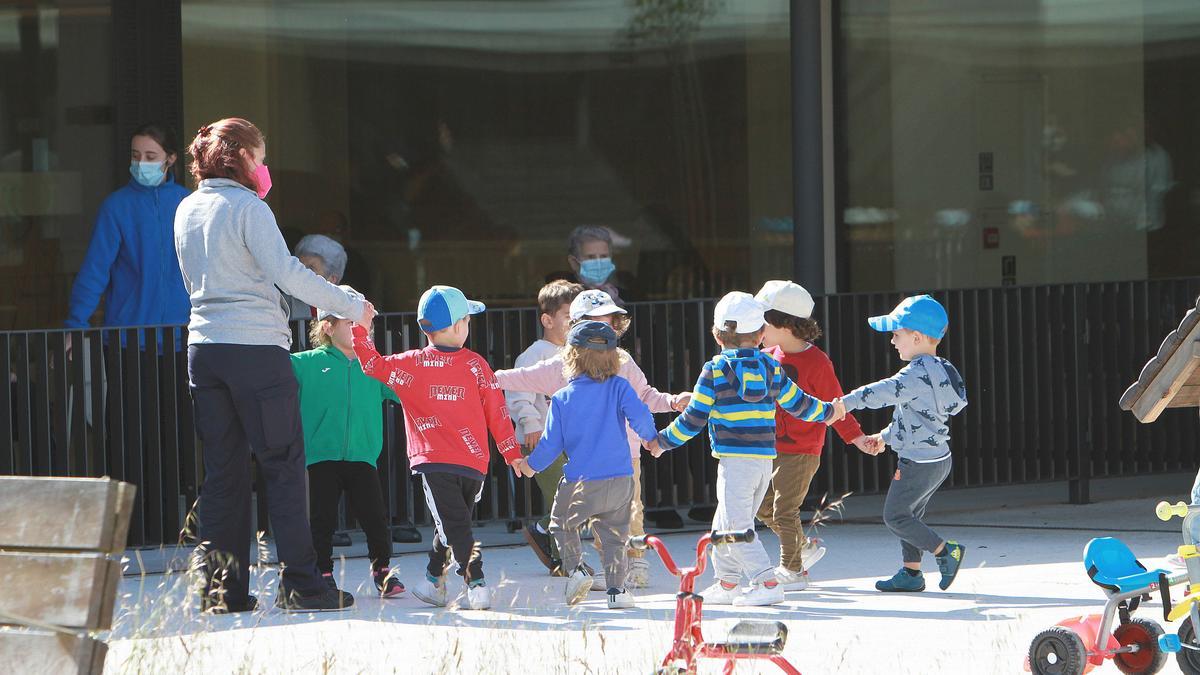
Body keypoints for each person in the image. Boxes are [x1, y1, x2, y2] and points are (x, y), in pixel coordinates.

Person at [175, 117, 374, 614]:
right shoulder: (249, 208)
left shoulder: (187, 208)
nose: (264, 168)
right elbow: (288, 274)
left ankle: (223, 590)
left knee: (224, 473)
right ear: (240, 156)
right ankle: (303, 585)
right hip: (257, 350)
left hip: (205, 349)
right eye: (260, 158)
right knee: (283, 467)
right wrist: (351, 305)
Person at [644, 291, 841, 606]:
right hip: (764, 461)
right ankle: (728, 583)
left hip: (735, 463)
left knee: (735, 526)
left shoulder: (715, 369)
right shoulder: (770, 367)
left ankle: (767, 581)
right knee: (723, 523)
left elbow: (693, 418)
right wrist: (830, 412)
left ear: (717, 335)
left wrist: (662, 441)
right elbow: (800, 404)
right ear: (762, 335)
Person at [494, 289, 689, 589]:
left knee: (628, 511)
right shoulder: (561, 365)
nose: (603, 329)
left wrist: (673, 402)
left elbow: (646, 397)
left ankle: (631, 562)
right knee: (593, 520)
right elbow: (519, 377)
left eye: (609, 322)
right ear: (576, 327)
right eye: (595, 323)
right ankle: (609, 578)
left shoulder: (622, 361)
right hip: (586, 462)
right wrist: (482, 376)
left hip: (626, 455)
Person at [351, 285, 523, 611]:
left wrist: (360, 327)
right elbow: (498, 412)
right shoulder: (476, 365)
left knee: (453, 525)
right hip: (474, 463)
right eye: (468, 321)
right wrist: (511, 452)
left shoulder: (411, 364)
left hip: (435, 461)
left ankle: (466, 582)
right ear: (458, 326)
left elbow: (371, 365)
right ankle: (443, 581)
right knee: (454, 523)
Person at [518, 321, 658, 609]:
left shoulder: (562, 397)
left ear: (570, 357)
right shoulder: (620, 387)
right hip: (621, 479)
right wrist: (652, 440)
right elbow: (642, 419)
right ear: (614, 357)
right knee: (614, 538)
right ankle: (617, 591)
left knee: (560, 524)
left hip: (579, 482)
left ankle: (577, 570)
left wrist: (530, 466)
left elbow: (551, 445)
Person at [835, 294, 968, 593]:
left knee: (895, 516)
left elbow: (881, 391)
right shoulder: (942, 370)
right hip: (938, 459)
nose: (893, 341)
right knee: (911, 515)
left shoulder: (914, 375)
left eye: (896, 335)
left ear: (917, 337)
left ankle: (945, 551)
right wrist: (883, 438)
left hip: (918, 464)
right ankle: (911, 573)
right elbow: (915, 419)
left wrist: (844, 404)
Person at [754, 280, 876, 590]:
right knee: (760, 506)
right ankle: (802, 548)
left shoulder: (818, 362)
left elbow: (837, 405)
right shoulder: (765, 355)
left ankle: (793, 570)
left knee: (784, 508)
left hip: (802, 449)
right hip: (769, 446)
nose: (757, 327)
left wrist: (857, 437)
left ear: (783, 323)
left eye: (762, 320)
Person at [292, 289, 404, 598]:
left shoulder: (375, 366)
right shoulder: (304, 363)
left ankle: (383, 572)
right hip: (320, 456)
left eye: (364, 322)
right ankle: (322, 573)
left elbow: (406, 391)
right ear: (327, 326)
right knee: (321, 519)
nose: (360, 328)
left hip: (363, 456)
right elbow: (270, 378)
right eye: (349, 322)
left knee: (375, 517)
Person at [66, 123, 191, 332]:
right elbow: (95, 270)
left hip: (183, 334)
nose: (141, 163)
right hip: (126, 337)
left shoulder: (189, 203)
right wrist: (75, 324)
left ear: (171, 158)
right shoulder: (116, 206)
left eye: (150, 157)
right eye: (135, 156)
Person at [505, 279, 582, 570]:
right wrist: (530, 424)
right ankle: (567, 562)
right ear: (547, 319)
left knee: (575, 496)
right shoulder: (534, 354)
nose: (574, 322)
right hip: (539, 439)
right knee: (562, 497)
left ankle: (541, 531)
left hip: (569, 440)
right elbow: (518, 393)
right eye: (567, 316)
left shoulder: (578, 353)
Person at [547, 225, 636, 305]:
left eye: (604, 256)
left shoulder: (625, 298)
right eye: (591, 257)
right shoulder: (563, 300)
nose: (599, 263)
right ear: (574, 262)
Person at [287, 234, 348, 320]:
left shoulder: (347, 310)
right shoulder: (281, 304)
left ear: (332, 279)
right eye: (300, 266)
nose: (301, 273)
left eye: (311, 268)